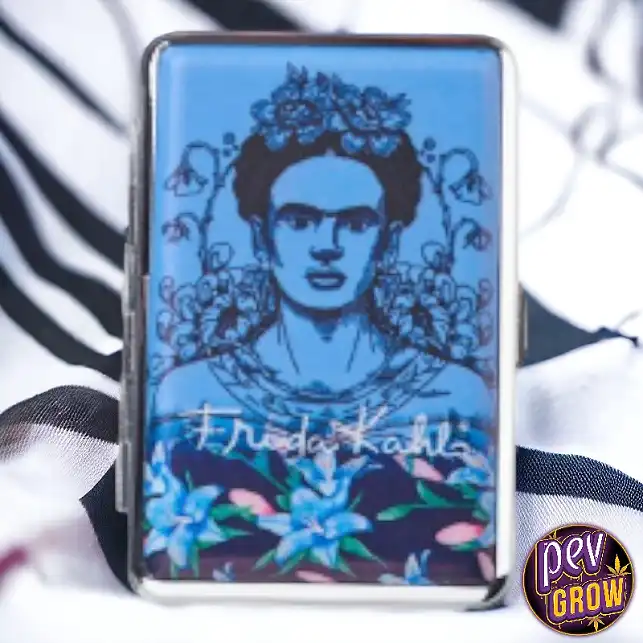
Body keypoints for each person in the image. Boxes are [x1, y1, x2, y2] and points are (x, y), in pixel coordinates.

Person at [151, 67, 493, 451]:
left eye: (355, 224)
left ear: (389, 242)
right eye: (300, 222)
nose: (327, 246)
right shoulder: (192, 393)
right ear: (261, 238)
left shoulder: (454, 395)